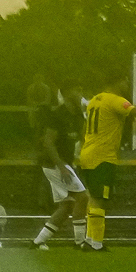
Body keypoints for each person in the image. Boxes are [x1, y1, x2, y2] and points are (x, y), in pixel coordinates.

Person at [68, 79, 133, 250]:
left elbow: (84, 126)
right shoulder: (115, 100)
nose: (127, 85)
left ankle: (90, 240)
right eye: (125, 82)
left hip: (88, 153)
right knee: (100, 199)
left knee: (92, 197)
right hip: (103, 156)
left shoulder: (95, 100)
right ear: (116, 81)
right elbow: (135, 112)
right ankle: (96, 243)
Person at [32, 81, 89, 249]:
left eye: (81, 89)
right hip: (54, 163)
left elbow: (82, 137)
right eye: (76, 89)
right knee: (83, 197)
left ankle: (38, 242)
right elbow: (48, 143)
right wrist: (62, 166)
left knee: (67, 205)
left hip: (66, 162)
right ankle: (79, 242)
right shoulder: (57, 114)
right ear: (67, 93)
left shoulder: (78, 114)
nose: (80, 92)